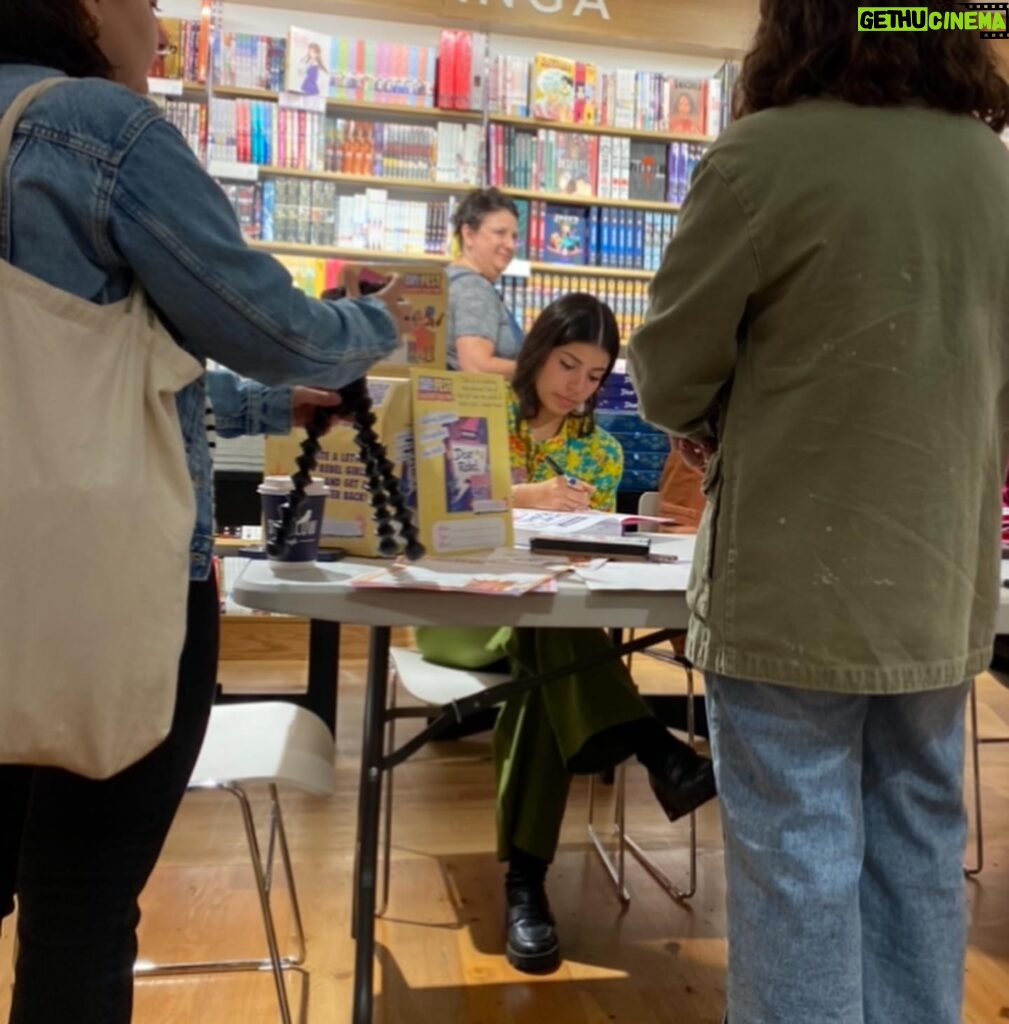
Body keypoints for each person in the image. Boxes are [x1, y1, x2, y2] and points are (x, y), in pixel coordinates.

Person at [0, 4, 410, 1022]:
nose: (158, 28)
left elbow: (111, 365)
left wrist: (268, 408)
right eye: (145, 4)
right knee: (82, 902)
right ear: (86, 7)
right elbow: (275, 326)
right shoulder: (96, 126)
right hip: (94, 595)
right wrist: (379, 322)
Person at [627, 4, 1009, 1022]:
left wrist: (716, 411)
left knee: (796, 850)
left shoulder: (760, 157)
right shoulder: (991, 168)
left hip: (785, 579)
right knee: (922, 838)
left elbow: (667, 374)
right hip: (940, 569)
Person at [418, 294, 716, 975]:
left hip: (534, 619)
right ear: (536, 352)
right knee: (545, 636)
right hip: (456, 613)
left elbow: (587, 549)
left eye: (593, 375)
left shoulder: (599, 449)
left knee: (542, 665)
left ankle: (526, 884)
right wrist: (524, 496)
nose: (577, 386)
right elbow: (426, 495)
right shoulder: (478, 413)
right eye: (567, 364)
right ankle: (651, 745)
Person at [447, 187, 524, 377]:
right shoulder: (474, 288)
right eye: (500, 233)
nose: (511, 245)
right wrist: (537, 371)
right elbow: (476, 366)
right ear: (469, 235)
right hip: (471, 404)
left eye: (514, 236)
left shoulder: (447, 279)